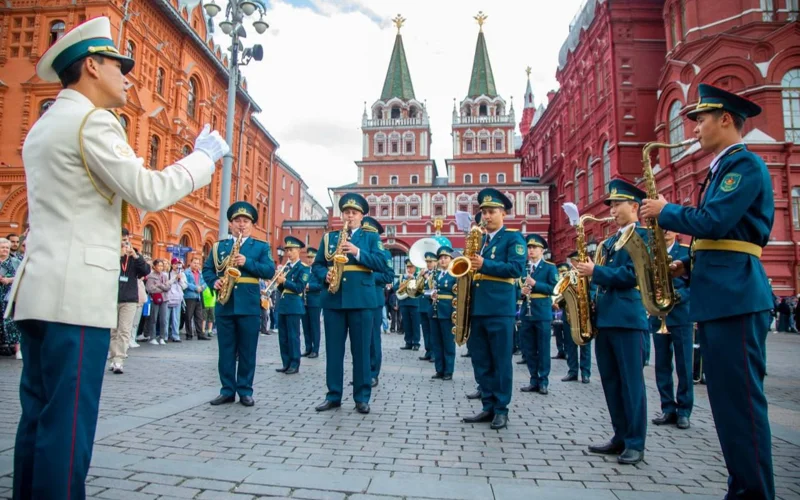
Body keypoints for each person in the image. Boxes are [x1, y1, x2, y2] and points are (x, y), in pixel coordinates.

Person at [7, 17, 228, 500]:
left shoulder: (48, 122)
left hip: (39, 289)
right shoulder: (92, 120)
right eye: (117, 65)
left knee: (38, 420)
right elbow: (147, 189)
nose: (127, 77)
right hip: (75, 296)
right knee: (67, 427)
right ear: (91, 66)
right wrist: (203, 158)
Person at [640, 83, 774, 499]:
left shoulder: (743, 166)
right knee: (728, 406)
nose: (694, 128)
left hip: (735, 296)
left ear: (726, 120)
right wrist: (687, 265)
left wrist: (667, 212)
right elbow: (721, 234)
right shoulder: (723, 168)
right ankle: (742, 488)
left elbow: (715, 222)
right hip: (720, 295)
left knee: (742, 406)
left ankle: (753, 493)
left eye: (700, 119)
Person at [575, 179, 649, 465]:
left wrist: (596, 271)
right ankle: (620, 435)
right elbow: (601, 279)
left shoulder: (644, 236)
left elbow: (632, 275)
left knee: (632, 384)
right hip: (605, 318)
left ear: (634, 206)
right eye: (612, 205)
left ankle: (635, 442)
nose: (613, 210)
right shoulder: (608, 242)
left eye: (618, 204)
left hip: (628, 318)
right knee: (612, 382)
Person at [312, 193, 386, 415]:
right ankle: (333, 395)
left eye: (354, 213)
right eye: (346, 212)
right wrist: (324, 275)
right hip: (334, 300)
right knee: (333, 351)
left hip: (362, 301)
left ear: (362, 216)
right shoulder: (329, 238)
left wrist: (357, 251)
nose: (350, 216)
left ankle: (361, 397)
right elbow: (316, 266)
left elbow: (381, 263)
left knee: (361, 351)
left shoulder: (371, 238)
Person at [462, 188, 525, 430]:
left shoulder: (513, 238)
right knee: (481, 359)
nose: (486, 216)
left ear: (503, 214)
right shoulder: (480, 240)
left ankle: (501, 409)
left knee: (500, 361)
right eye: (483, 212)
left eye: (491, 212)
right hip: (477, 309)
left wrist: (485, 264)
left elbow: (516, 269)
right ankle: (487, 405)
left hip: (499, 309)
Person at [203, 201, 275, 407]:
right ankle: (227, 390)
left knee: (247, 350)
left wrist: (248, 263)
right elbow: (208, 269)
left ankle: (245, 390)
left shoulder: (260, 247)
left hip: (249, 305)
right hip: (225, 303)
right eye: (237, 221)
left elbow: (269, 271)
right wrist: (213, 281)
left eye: (245, 221)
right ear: (231, 224)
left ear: (251, 225)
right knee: (225, 350)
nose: (241, 224)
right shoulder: (219, 247)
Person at [649, 231, 693, 430]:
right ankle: (668, 408)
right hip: (659, 316)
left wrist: (678, 295)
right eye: (661, 227)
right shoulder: (650, 253)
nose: (665, 231)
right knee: (662, 365)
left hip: (680, 314)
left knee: (684, 365)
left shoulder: (685, 252)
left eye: (668, 227)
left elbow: (695, 283)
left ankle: (684, 410)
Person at [519, 234, 558, 395]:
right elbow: (516, 287)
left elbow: (554, 288)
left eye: (534, 248)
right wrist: (521, 291)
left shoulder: (550, 267)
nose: (531, 250)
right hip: (526, 313)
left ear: (542, 250)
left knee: (542, 348)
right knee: (528, 349)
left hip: (542, 311)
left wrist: (536, 284)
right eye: (529, 247)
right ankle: (533, 379)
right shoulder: (522, 267)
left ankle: (543, 381)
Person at [109, 229, 150, 374]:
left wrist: (135, 255)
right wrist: (119, 255)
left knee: (124, 331)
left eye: (126, 239)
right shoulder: (112, 253)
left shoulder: (134, 256)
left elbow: (146, 271)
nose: (124, 243)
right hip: (112, 297)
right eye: (121, 239)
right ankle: (113, 358)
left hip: (130, 299)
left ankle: (119, 360)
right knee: (113, 331)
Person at [361, 216, 394, 387]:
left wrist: (367, 276)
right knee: (359, 338)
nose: (365, 235)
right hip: (358, 298)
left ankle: (373, 373)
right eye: (363, 231)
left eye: (368, 232)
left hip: (373, 297)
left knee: (373, 337)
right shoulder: (356, 251)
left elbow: (388, 275)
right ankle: (362, 373)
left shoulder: (384, 253)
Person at [275, 236, 309, 375]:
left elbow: (300, 287)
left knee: (293, 336)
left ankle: (295, 363)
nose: (289, 253)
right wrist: (278, 282)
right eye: (287, 250)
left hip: (294, 305)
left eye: (292, 250)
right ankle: (286, 363)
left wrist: (284, 281)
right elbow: (282, 289)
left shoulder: (303, 268)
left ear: (299, 251)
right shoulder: (286, 267)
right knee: (283, 336)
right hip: (283, 305)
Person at [561, 251, 592, 384]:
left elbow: (594, 290)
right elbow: (560, 292)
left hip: (584, 313)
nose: (577, 264)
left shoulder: (589, 275)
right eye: (575, 261)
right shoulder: (567, 275)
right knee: (569, 344)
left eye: (579, 261)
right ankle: (572, 371)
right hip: (569, 313)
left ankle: (585, 372)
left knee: (585, 344)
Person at [430, 245, 455, 380]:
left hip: (448, 312)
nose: (443, 260)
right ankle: (439, 369)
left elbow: (457, 295)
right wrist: (432, 295)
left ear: (451, 259)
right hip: (435, 311)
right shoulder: (437, 274)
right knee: (437, 342)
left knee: (448, 343)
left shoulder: (454, 274)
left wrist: (455, 313)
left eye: (446, 258)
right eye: (441, 258)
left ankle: (448, 371)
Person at [301, 247, 323, 358]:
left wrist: (309, 286)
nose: (309, 260)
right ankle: (308, 348)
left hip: (315, 300)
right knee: (305, 325)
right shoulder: (305, 270)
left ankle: (315, 349)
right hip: (304, 301)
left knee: (315, 326)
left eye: (312, 257)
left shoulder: (318, 271)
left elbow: (321, 285)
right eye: (308, 257)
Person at [395, 259, 421, 350]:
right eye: (408, 267)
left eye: (411, 267)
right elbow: (395, 287)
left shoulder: (418, 277)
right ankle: (408, 342)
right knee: (406, 324)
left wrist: (413, 279)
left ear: (415, 268)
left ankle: (416, 343)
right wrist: (400, 285)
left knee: (415, 324)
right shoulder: (402, 277)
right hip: (404, 303)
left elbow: (419, 289)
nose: (409, 269)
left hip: (414, 303)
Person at [418, 252, 438, 362]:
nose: (428, 264)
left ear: (436, 262)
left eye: (430, 262)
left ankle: (435, 353)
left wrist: (427, 277)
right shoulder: (424, 274)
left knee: (432, 331)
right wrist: (420, 277)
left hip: (431, 305)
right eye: (427, 262)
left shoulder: (436, 274)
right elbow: (417, 288)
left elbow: (433, 288)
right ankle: (428, 351)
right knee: (425, 331)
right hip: (422, 305)